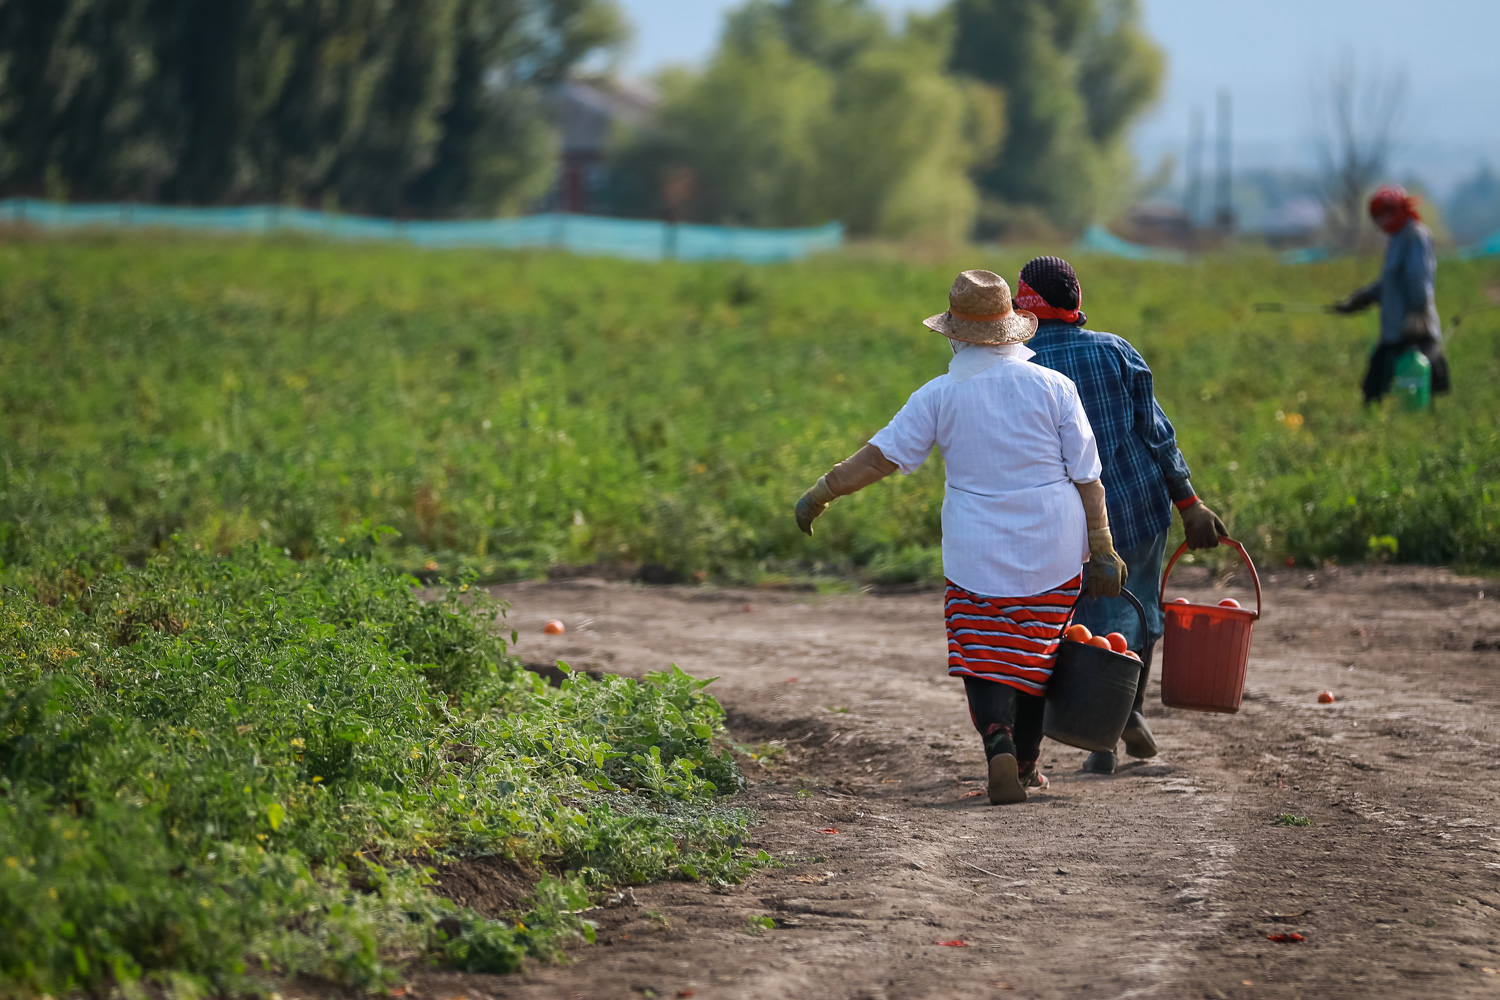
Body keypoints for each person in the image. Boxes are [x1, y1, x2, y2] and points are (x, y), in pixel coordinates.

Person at [794, 269, 1126, 805]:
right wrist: (1104, 544)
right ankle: (1026, 765)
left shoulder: (939, 394)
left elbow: (881, 457)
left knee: (983, 650)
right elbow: (1087, 474)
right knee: (1039, 654)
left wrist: (822, 491)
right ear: (1012, 328)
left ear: (953, 334)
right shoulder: (1054, 387)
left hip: (977, 550)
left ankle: (997, 742)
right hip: (1053, 545)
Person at [1017, 255, 1228, 775]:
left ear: (1023, 306)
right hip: (1135, 507)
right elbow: (1158, 437)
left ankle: (1077, 730)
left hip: (1056, 521)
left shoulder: (1018, 366)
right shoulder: (1116, 351)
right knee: (1137, 614)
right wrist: (1190, 504)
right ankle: (1119, 723)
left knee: (1069, 620)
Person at [1332, 184, 1451, 405]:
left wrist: (1417, 315)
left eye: (1383, 216)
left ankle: (1426, 425)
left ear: (1397, 210)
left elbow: (1418, 278)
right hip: (1394, 329)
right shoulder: (1396, 238)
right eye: (1377, 218)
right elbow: (1389, 283)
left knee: (1428, 385)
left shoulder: (1415, 236)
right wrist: (1360, 299)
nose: (1380, 223)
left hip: (1415, 327)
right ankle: (1380, 425)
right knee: (1375, 386)